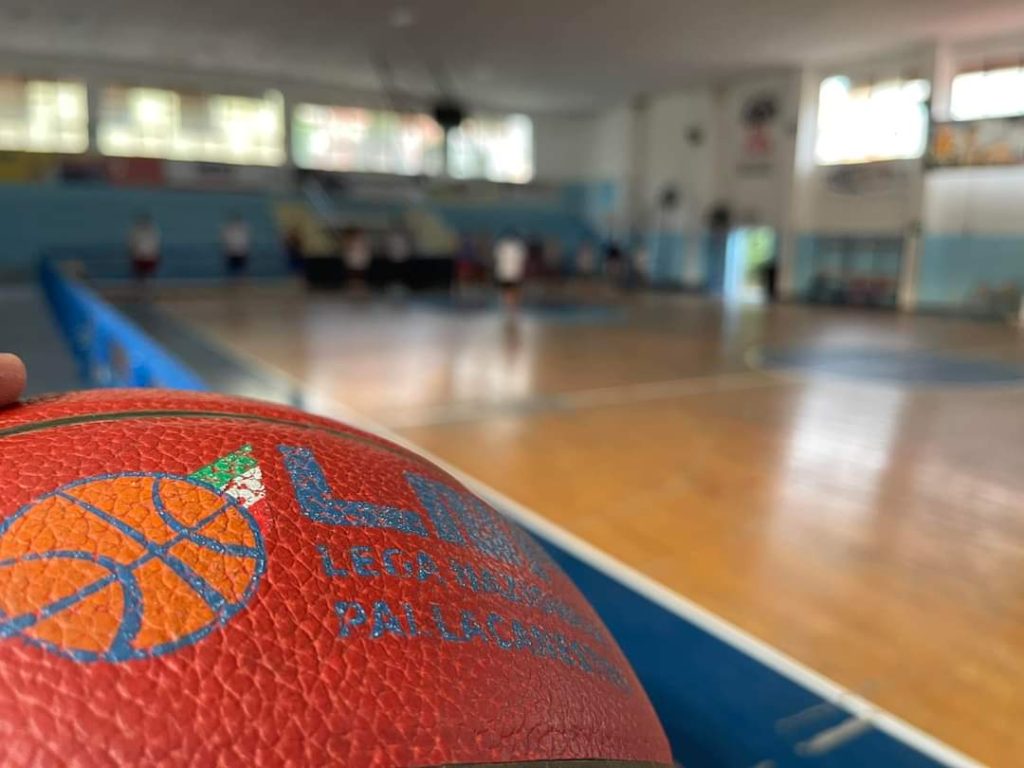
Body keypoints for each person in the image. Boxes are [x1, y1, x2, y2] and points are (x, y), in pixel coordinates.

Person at [493, 229, 527, 315]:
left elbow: (496, 258)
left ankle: (507, 309)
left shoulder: (500, 245)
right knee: (514, 292)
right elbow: (522, 260)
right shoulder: (519, 246)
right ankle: (512, 310)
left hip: (504, 273)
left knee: (506, 292)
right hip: (514, 273)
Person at [129, 214, 160, 281]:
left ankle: (144, 280)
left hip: (147, 259)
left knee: (144, 274)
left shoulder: (151, 231)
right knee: (143, 274)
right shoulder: (138, 231)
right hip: (142, 258)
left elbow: (155, 245)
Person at [221, 213, 251, 277]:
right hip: (232, 253)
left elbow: (246, 241)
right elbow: (226, 241)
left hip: (241, 253)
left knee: (242, 270)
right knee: (231, 270)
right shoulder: (228, 229)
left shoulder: (243, 229)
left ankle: (242, 280)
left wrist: (244, 250)